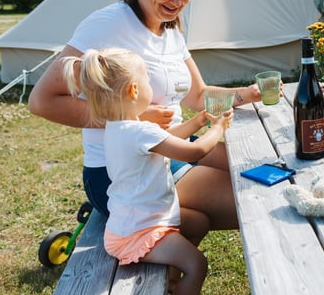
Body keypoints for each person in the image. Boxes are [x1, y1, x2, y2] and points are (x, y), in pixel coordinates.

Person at [29, 0, 261, 243]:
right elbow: (42, 101)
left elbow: (197, 96)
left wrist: (250, 93)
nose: (177, 3)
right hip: (125, 173)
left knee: (258, 168)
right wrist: (130, 119)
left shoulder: (171, 31)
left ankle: (174, 268)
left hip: (172, 149)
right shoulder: (108, 25)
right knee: (254, 198)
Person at [62, 47, 232, 294]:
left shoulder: (120, 127)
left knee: (198, 222)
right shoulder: (141, 131)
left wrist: (195, 122)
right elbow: (193, 152)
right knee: (198, 264)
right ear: (134, 90)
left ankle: (171, 278)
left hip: (131, 223)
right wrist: (218, 128)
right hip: (139, 233)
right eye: (148, 81)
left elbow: (164, 139)